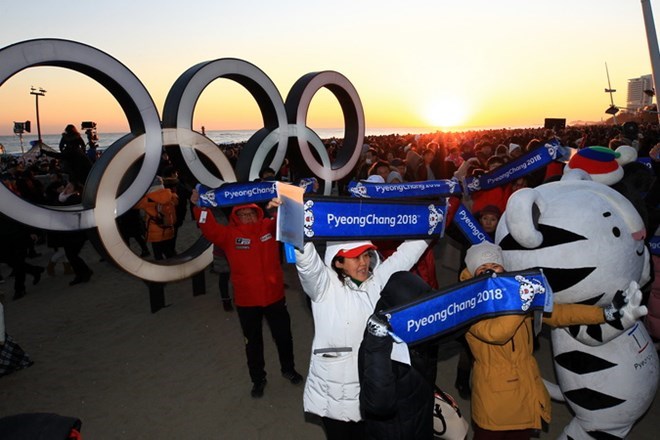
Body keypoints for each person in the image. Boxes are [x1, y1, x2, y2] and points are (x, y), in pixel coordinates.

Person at [462, 242, 618, 439]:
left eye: (494, 265)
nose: (489, 272)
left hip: (526, 385)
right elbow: (497, 334)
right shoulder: (467, 305)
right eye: (482, 268)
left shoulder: (516, 292)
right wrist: (523, 302)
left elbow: (560, 312)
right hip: (494, 396)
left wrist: (604, 314)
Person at [294, 237, 429, 439]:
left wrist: (433, 219)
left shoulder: (378, 280)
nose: (364, 262)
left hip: (372, 387)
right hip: (336, 394)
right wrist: (294, 218)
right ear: (338, 262)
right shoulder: (324, 287)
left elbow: (406, 254)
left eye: (366, 255)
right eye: (355, 258)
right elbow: (307, 265)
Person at [191, 191, 302, 398]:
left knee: (284, 336)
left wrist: (285, 202)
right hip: (247, 301)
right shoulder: (229, 235)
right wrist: (201, 207)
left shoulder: (269, 227)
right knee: (253, 342)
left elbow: (287, 220)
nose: (248, 217)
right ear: (235, 216)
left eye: (251, 213)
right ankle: (258, 379)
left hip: (274, 296)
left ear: (257, 212)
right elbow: (209, 228)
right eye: (243, 214)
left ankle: (288, 369)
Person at [358, 271, 440, 440]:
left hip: (420, 423)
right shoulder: (375, 348)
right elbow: (379, 405)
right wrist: (377, 347)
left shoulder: (418, 331)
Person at [135, 177, 179, 260]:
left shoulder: (147, 199)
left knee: (158, 255)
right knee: (168, 251)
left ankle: (164, 270)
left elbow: (134, 205)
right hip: (168, 228)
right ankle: (174, 266)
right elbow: (176, 201)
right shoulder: (171, 195)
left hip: (155, 232)